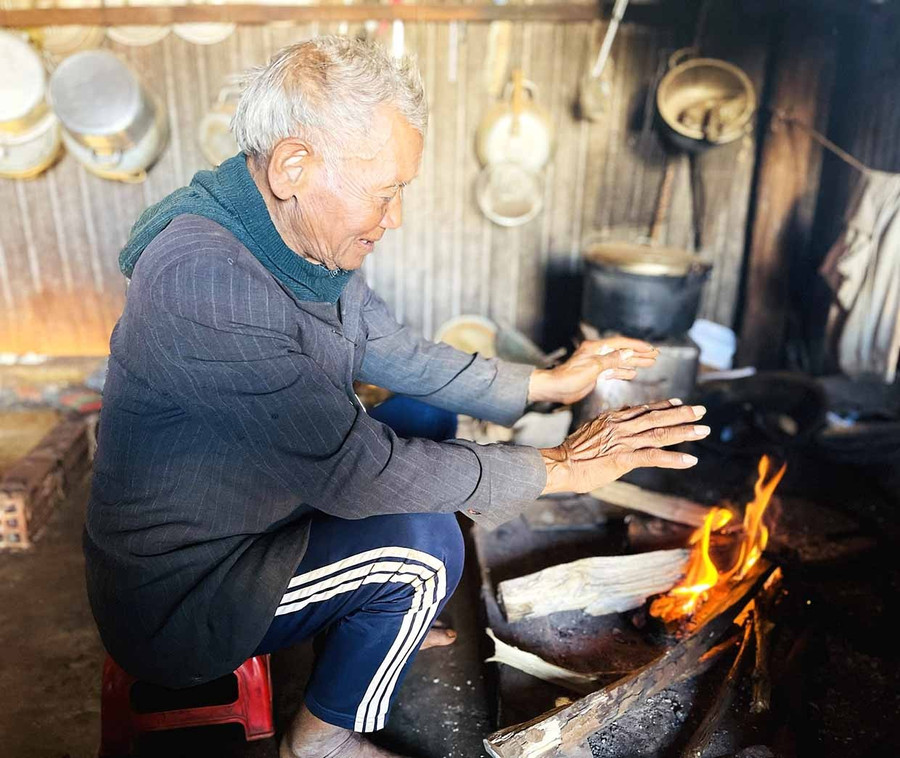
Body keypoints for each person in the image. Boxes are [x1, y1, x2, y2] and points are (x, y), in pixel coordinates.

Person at [84, 36, 710, 758]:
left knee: (425, 418)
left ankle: (376, 616)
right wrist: (559, 468)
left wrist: (549, 382)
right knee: (425, 547)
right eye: (385, 191)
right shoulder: (207, 280)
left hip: (249, 509)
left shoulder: (289, 237)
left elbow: (399, 352)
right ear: (294, 166)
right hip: (185, 591)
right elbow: (358, 471)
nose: (395, 216)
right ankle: (318, 742)